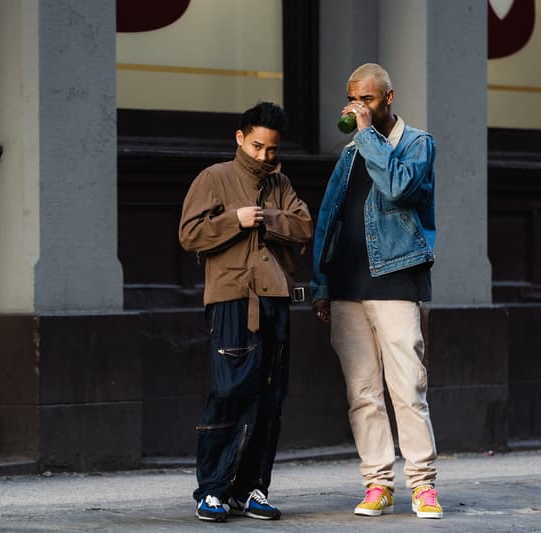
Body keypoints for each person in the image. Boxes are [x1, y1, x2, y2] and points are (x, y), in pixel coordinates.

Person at [310, 63, 443, 520]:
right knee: (363, 392)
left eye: (365, 99)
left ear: (388, 98)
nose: (356, 107)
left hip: (396, 282)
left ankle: (423, 486)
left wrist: (367, 136)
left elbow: (400, 188)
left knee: (408, 388)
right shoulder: (350, 154)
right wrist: (321, 283)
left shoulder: (416, 144)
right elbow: (329, 217)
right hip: (347, 286)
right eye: (352, 98)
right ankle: (377, 483)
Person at [179, 102, 313, 523]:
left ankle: (252, 488)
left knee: (270, 399)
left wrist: (266, 218)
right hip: (233, 300)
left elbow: (304, 226)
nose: (264, 156)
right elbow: (189, 234)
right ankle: (213, 490)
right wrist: (235, 220)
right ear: (240, 138)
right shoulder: (214, 178)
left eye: (271, 150)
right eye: (257, 146)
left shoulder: (280, 183)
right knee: (230, 393)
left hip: (275, 302)